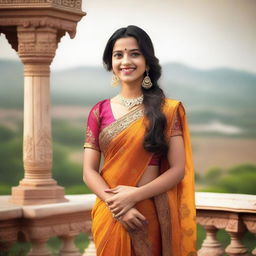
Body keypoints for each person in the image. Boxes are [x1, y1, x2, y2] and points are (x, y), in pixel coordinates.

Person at [83, 25, 197, 256]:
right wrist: (118, 206)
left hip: (148, 212)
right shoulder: (99, 111)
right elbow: (89, 171)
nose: (126, 61)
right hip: (110, 211)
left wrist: (133, 196)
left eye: (134, 53)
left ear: (147, 61)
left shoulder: (167, 110)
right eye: (118, 55)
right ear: (110, 63)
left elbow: (177, 170)